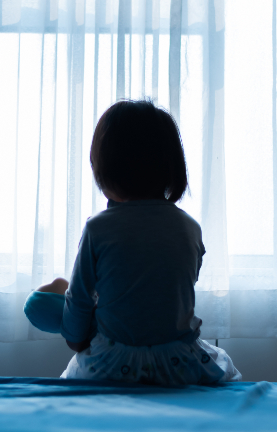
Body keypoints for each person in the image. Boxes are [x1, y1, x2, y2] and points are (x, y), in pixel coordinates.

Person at [23, 100, 241, 386]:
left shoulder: (98, 228)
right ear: (171, 167)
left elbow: (79, 302)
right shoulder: (189, 228)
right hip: (178, 364)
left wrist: (77, 341)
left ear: (104, 169)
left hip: (113, 365)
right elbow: (172, 290)